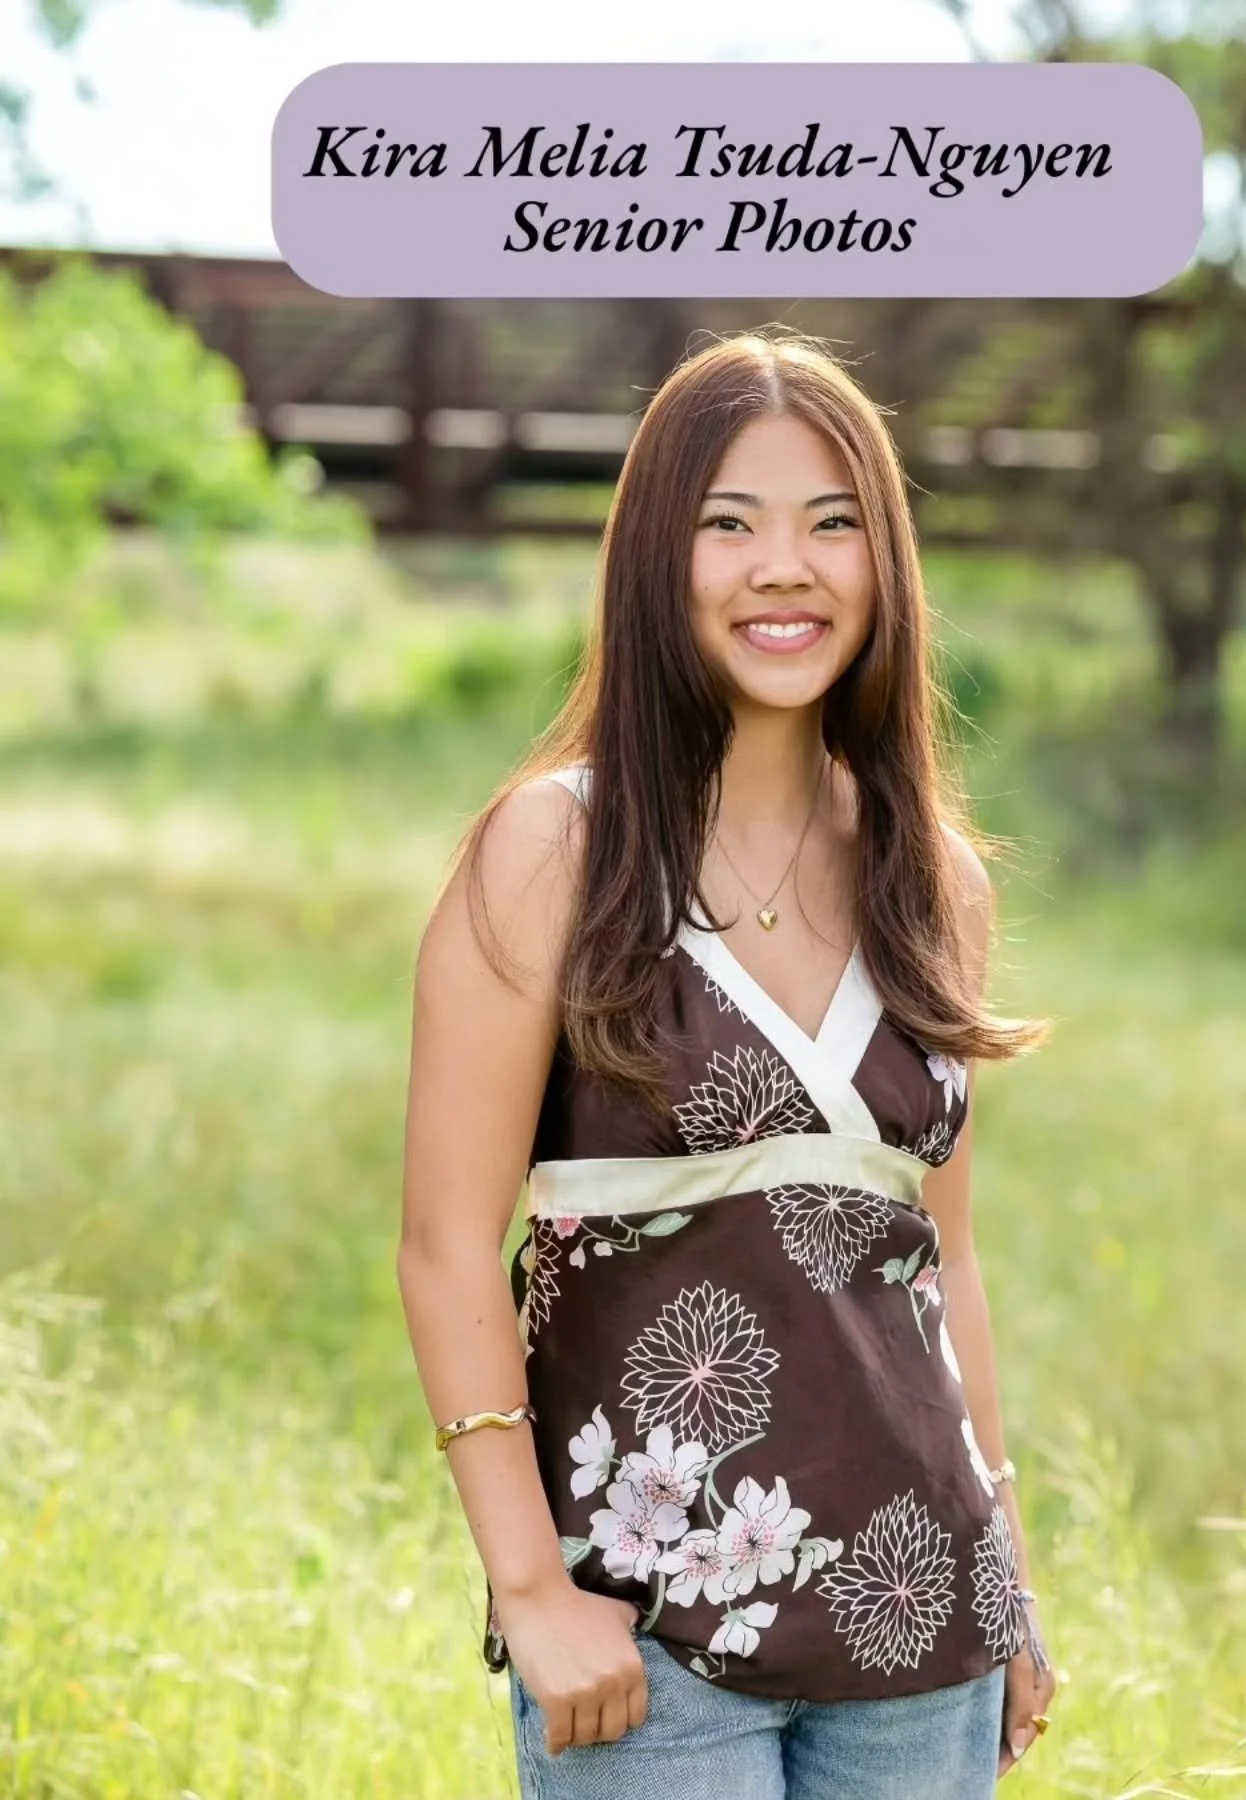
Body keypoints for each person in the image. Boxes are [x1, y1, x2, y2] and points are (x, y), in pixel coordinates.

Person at [398, 328, 1058, 1799]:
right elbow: (446, 1245)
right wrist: (529, 1593)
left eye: (834, 524)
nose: (786, 567)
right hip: (652, 1630)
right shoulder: (555, 850)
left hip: (924, 1621)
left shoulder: (933, 878)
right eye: (730, 523)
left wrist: (1006, 1571)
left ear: (885, 564)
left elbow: (940, 1265)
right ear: (655, 557)